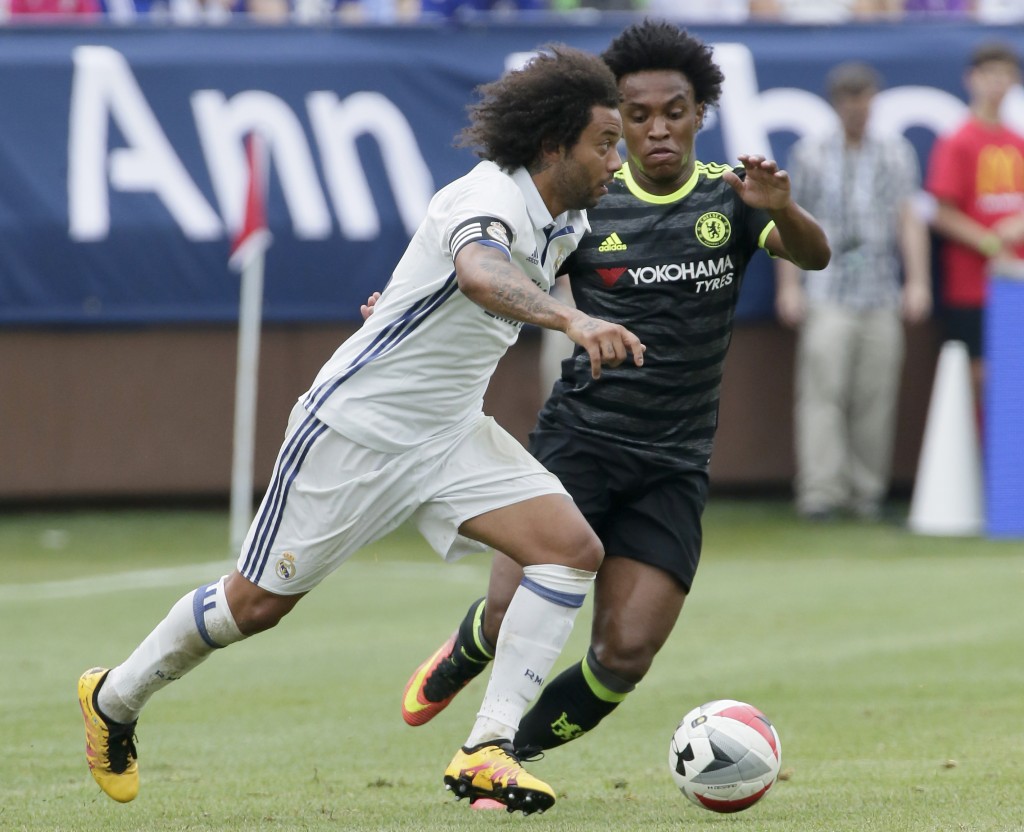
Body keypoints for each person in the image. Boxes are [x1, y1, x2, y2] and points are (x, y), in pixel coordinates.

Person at [77, 45, 642, 816]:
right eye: (605, 143)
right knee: (255, 607)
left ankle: (487, 747)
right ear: (552, 145)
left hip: (446, 434)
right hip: (355, 430)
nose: (620, 157)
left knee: (571, 551)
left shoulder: (566, 218)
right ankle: (114, 697)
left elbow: (459, 284)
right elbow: (480, 271)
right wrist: (573, 320)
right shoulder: (486, 196)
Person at [394, 19, 830, 772]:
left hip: (675, 461)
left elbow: (815, 257)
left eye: (675, 111)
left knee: (624, 653)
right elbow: (498, 275)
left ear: (700, 113)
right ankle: (470, 646)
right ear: (616, 122)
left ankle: (508, 750)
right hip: (580, 444)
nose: (658, 129)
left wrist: (782, 206)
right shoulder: (585, 208)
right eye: (639, 115)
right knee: (508, 612)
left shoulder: (732, 199)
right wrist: (403, 306)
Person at [775, 62, 931, 523]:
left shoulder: (896, 152)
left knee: (875, 394)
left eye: (864, 99)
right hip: (826, 287)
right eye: (848, 100)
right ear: (836, 104)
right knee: (823, 391)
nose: (857, 108)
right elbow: (788, 220)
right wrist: (790, 286)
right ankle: (821, 491)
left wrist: (917, 281)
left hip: (881, 288)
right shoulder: (810, 152)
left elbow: (908, 218)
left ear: (874, 100)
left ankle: (866, 493)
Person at [926, 41, 1024, 419]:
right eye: (990, 75)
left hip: (1015, 283)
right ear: (972, 79)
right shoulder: (958, 140)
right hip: (972, 285)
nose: (998, 84)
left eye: (1005, 75)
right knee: (978, 377)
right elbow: (941, 213)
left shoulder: (1017, 141)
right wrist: (988, 240)